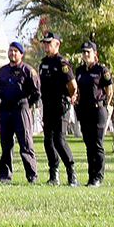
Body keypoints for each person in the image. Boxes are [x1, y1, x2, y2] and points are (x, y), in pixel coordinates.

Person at [38, 32, 79, 186]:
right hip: (47, 106)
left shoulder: (62, 64)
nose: (46, 46)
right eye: (45, 43)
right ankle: (54, 174)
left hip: (60, 106)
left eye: (49, 43)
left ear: (57, 44)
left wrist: (71, 97)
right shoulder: (43, 64)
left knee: (59, 139)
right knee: (48, 140)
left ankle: (71, 172)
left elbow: (72, 85)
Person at [0, 40, 40, 184]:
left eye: (15, 51)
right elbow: (0, 90)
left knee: (26, 143)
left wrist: (27, 105)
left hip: (21, 109)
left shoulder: (28, 71)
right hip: (6, 110)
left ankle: (32, 175)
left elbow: (36, 92)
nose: (12, 53)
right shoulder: (2, 71)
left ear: (21, 54)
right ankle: (4, 177)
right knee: (6, 145)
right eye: (10, 50)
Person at [75, 41, 113, 187]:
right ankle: (91, 177)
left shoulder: (101, 70)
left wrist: (107, 104)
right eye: (84, 52)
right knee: (88, 144)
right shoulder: (79, 71)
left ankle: (98, 176)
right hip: (84, 110)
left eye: (88, 52)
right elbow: (77, 89)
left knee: (97, 144)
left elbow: (109, 89)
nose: (85, 55)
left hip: (98, 109)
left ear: (94, 54)